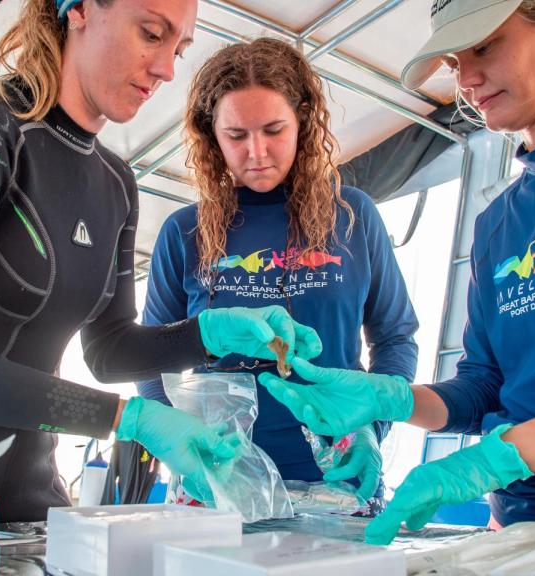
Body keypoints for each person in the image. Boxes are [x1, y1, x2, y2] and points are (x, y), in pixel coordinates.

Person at [0, 0, 319, 522]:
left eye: (178, 49)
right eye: (150, 34)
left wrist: (211, 333)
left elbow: (108, 351)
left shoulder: (116, 183)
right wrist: (127, 418)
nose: (166, 69)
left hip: (26, 494)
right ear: (81, 9)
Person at [260, 0, 535, 548]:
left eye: (484, 47)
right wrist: (393, 400)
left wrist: (500, 457)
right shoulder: (496, 222)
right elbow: (485, 388)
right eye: (455, 62)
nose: (466, 80)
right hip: (513, 532)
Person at [137, 37, 418, 503]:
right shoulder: (183, 232)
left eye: (273, 130)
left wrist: (373, 426)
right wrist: (179, 444)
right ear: (211, 134)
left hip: (335, 481)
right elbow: (148, 359)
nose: (257, 152)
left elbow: (395, 339)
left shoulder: (353, 216)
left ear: (303, 119)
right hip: (218, 483)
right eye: (236, 135)